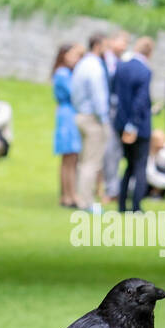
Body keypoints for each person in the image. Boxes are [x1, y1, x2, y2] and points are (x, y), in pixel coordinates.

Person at [71, 34, 111, 209]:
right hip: (92, 118)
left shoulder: (82, 64)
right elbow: (98, 95)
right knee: (91, 162)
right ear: (98, 45)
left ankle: (83, 198)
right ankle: (86, 201)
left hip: (80, 114)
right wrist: (103, 118)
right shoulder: (95, 67)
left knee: (84, 161)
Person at [114, 36, 154, 212]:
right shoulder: (144, 71)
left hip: (121, 124)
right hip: (138, 126)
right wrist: (134, 123)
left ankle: (122, 204)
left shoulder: (122, 67)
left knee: (129, 165)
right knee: (139, 166)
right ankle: (136, 205)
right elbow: (141, 100)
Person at [52, 43, 84, 208]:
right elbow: (75, 93)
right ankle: (69, 195)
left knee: (70, 159)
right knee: (69, 157)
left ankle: (68, 194)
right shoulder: (63, 73)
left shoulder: (64, 73)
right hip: (68, 115)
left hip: (67, 113)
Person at [102, 31, 130, 201]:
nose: (125, 46)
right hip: (105, 112)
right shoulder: (104, 61)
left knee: (114, 152)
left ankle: (112, 189)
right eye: (122, 41)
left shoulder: (121, 63)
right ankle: (108, 189)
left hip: (117, 113)